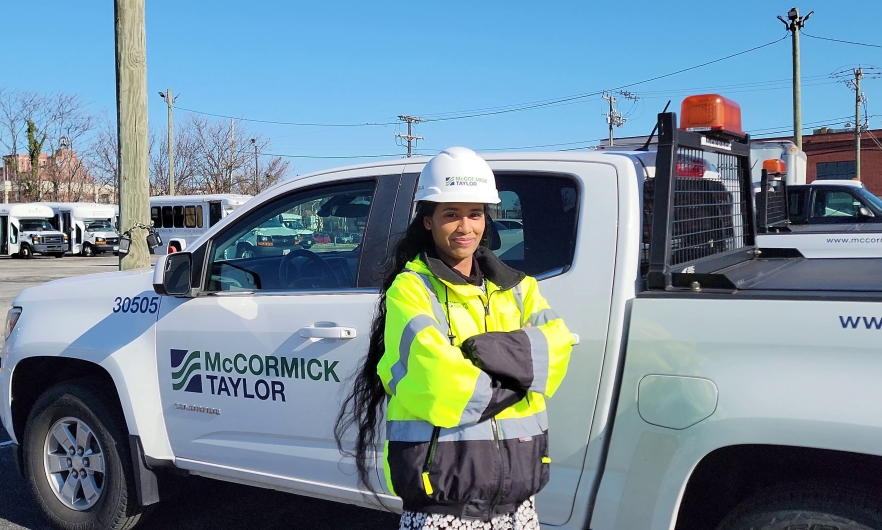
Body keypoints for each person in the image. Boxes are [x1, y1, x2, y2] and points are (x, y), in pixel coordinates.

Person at [335, 147, 573, 530]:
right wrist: (519, 375)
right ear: (427, 221)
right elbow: (442, 384)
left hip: (518, 499)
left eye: (475, 214)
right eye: (451, 214)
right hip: (444, 498)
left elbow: (557, 353)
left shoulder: (520, 288)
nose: (466, 228)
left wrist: (478, 355)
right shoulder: (410, 291)